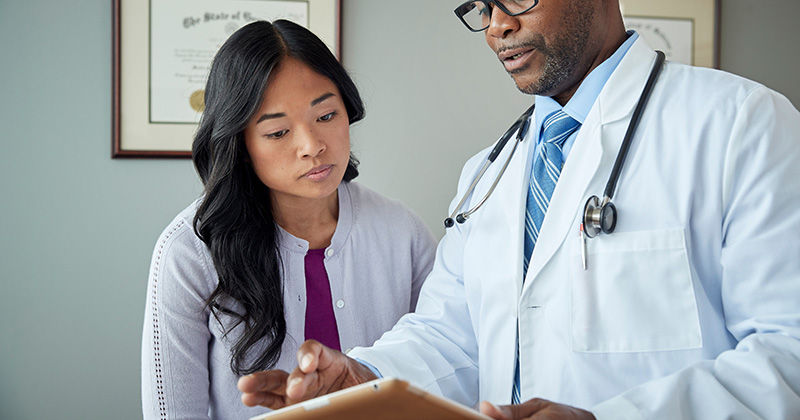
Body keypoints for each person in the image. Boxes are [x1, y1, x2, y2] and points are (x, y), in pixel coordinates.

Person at [238, 1, 800, 419]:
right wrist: (366, 378)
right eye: (483, 6)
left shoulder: (740, 125)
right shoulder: (489, 173)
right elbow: (451, 336)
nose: (496, 26)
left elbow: (788, 356)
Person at [140, 19, 437, 420]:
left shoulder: (403, 233)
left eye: (327, 116)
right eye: (278, 133)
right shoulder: (191, 252)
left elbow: (441, 373)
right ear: (240, 145)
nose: (312, 146)